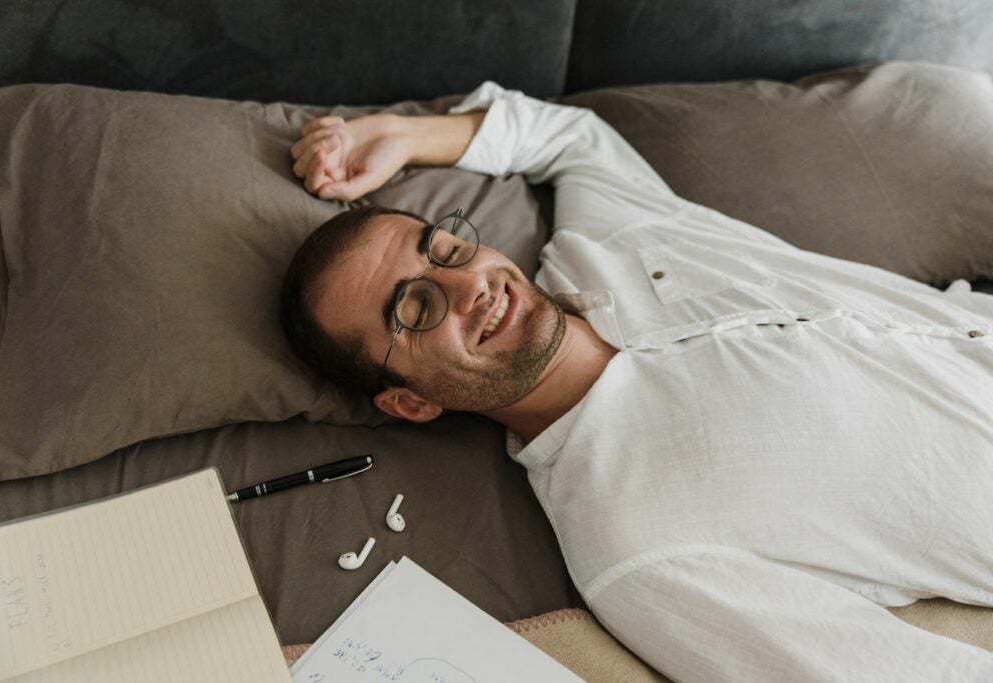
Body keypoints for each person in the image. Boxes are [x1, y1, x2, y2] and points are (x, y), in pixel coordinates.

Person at [282, 82, 993, 681]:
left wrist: (402, 135)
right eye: (413, 305)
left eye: (442, 247)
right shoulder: (633, 543)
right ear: (410, 400)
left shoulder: (606, 242)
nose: (470, 283)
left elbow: (572, 138)